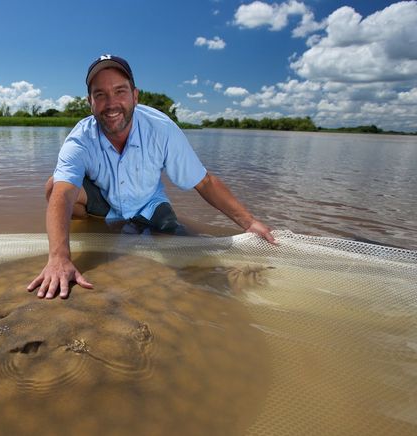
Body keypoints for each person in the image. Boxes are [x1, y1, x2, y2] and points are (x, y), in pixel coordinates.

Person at [27, 54, 276, 299]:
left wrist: (248, 222)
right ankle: (103, 225)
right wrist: (59, 258)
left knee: (181, 246)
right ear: (90, 102)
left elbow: (204, 181)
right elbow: (62, 193)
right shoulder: (80, 139)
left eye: (120, 91)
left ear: (135, 96)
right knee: (52, 186)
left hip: (149, 204)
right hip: (107, 204)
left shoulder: (162, 129)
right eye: (100, 94)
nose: (111, 103)